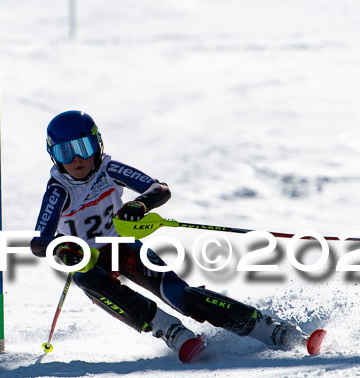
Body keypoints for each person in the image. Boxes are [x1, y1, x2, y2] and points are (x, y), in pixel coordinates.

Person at [30, 110, 312, 362]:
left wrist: (141, 204)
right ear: (54, 155)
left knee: (182, 296)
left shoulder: (108, 169)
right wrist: (62, 246)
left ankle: (273, 330)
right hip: (89, 259)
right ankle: (171, 332)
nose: (77, 159)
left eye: (83, 146)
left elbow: (159, 189)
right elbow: (38, 242)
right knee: (87, 277)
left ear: (97, 144)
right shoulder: (59, 189)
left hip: (123, 246)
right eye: (66, 152)